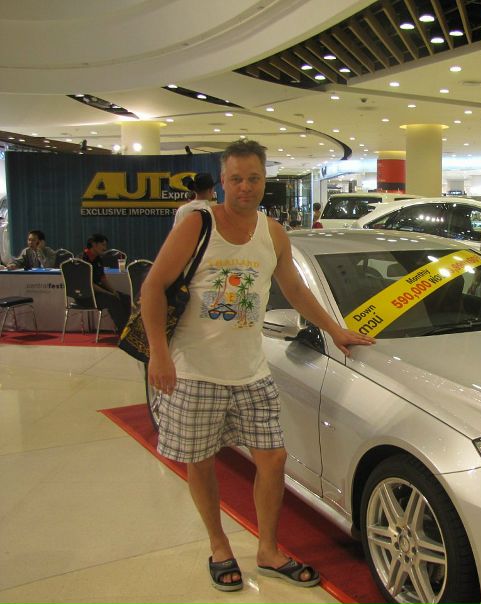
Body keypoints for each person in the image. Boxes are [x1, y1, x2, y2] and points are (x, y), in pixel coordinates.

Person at [140, 139, 374, 592]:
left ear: (265, 180)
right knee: (201, 462)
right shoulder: (198, 224)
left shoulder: (273, 232)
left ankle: (268, 550)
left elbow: (296, 290)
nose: (245, 187)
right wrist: (159, 354)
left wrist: (334, 329)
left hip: (252, 371)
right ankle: (219, 545)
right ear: (222, 181)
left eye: (253, 178)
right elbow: (153, 287)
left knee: (273, 459)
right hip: (195, 370)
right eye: (236, 179)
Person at [81, 234, 132, 333]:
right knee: (112, 299)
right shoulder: (82, 259)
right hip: (87, 296)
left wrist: (113, 291)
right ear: (94, 244)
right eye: (103, 245)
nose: (105, 248)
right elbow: (90, 284)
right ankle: (123, 332)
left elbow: (103, 279)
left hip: (99, 292)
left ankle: (130, 328)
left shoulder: (98, 259)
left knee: (125, 298)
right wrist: (108, 293)